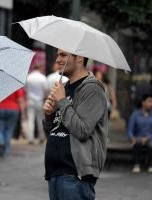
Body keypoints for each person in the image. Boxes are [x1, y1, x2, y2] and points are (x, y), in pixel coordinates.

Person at [43, 49, 108, 200]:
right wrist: (49, 115)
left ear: (80, 58)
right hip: (55, 171)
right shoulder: (64, 88)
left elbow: (82, 130)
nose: (58, 60)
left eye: (63, 55)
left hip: (74, 174)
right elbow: (54, 132)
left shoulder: (92, 89)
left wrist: (62, 101)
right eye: (58, 55)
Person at [127, 94, 152, 173]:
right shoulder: (135, 115)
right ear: (143, 102)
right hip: (138, 137)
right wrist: (131, 138)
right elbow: (130, 129)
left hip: (150, 138)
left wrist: (148, 138)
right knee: (137, 142)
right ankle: (136, 164)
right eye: (149, 101)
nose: (151, 104)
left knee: (151, 144)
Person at [0, 88, 26, 157]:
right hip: (13, 109)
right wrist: (23, 114)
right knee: (9, 130)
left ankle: (0, 141)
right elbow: (20, 100)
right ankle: (5, 151)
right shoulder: (16, 85)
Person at [25, 64, 47, 144]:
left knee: (30, 120)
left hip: (30, 100)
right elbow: (45, 90)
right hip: (40, 101)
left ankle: (30, 138)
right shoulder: (43, 78)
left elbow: (25, 89)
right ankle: (41, 137)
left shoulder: (28, 77)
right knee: (40, 119)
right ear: (40, 68)